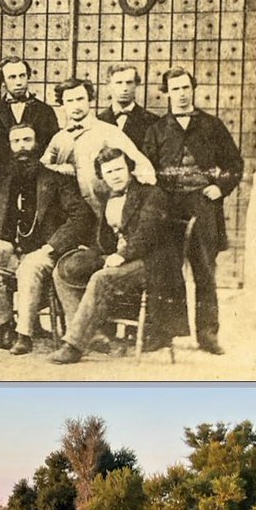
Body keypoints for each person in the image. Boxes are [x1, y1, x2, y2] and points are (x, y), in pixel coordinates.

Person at [142, 66, 244, 356]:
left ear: (193, 89)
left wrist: (220, 188)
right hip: (169, 207)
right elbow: (147, 170)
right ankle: (165, 333)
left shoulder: (212, 126)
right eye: (175, 89)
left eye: (186, 88)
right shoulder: (157, 130)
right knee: (166, 269)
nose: (182, 94)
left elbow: (234, 165)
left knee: (205, 270)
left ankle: (208, 335)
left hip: (203, 203)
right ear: (167, 93)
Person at [50, 147, 182, 364]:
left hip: (150, 261)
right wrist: (91, 252)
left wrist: (122, 255)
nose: (116, 175)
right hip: (120, 258)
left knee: (101, 278)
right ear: (102, 175)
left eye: (120, 169)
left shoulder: (151, 194)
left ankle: (74, 345)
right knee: (63, 270)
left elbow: (147, 234)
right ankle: (94, 335)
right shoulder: (109, 198)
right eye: (109, 172)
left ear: (129, 169)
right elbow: (106, 237)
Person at [0, 121, 93, 354]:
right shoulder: (0, 182)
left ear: (38, 144)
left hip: (45, 255)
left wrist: (51, 246)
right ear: (9, 146)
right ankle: (4, 327)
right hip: (11, 255)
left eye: (27, 140)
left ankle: (24, 335)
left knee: (29, 267)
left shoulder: (57, 180)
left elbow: (81, 217)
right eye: (16, 141)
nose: (21, 147)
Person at [41, 77, 154, 215]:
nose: (76, 105)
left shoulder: (109, 131)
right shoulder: (59, 138)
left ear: (90, 100)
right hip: (68, 214)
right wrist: (61, 169)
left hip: (103, 211)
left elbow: (142, 166)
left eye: (80, 99)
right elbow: (41, 169)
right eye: (70, 101)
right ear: (62, 105)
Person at [98, 64, 158, 151]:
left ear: (136, 85)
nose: (124, 88)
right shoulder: (99, 121)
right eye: (119, 83)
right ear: (109, 85)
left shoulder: (152, 121)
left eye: (129, 83)